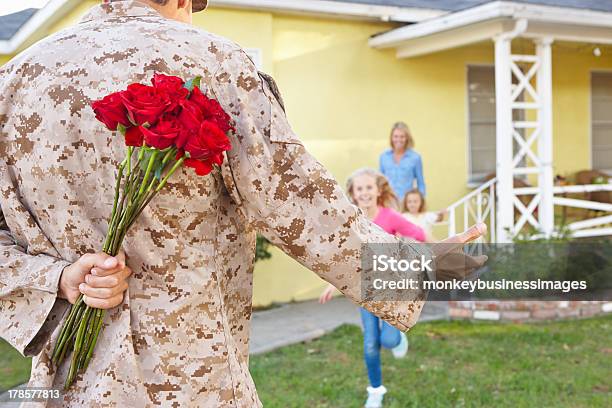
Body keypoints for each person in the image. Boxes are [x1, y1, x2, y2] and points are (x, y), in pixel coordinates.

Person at [0, 1, 486, 406]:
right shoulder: (214, 63)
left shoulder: (16, 81)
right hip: (192, 384)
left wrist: (59, 279)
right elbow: (300, 209)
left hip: (64, 387)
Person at [319, 168, 426, 408]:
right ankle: (376, 390)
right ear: (353, 194)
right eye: (360, 189)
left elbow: (418, 234)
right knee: (370, 344)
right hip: (365, 293)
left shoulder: (390, 217)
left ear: (378, 191)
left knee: (387, 340)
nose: (365, 193)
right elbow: (343, 256)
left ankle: (397, 340)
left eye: (369, 187)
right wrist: (331, 284)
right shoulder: (351, 221)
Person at [379, 122, 426, 201]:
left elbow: (420, 183)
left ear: (407, 138)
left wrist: (420, 202)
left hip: (406, 204)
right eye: (396, 136)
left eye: (402, 137)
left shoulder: (415, 158)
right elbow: (380, 182)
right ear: (391, 138)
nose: (398, 140)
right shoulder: (384, 157)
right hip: (388, 202)